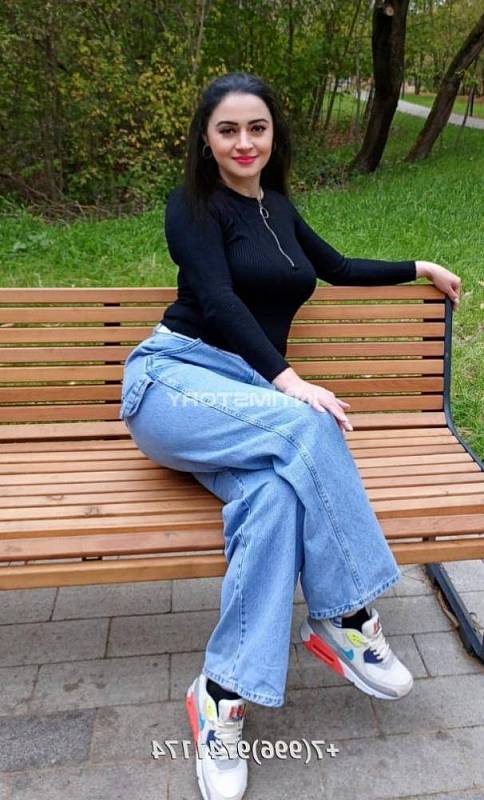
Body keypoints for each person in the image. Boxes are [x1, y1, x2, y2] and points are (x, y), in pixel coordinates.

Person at [119, 71, 461, 800]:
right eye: (228, 130)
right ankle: (347, 615)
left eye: (257, 128)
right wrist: (288, 380)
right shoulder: (191, 207)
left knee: (273, 500)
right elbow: (216, 299)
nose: (244, 142)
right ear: (206, 140)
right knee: (308, 420)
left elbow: (335, 267)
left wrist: (418, 267)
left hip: (245, 404)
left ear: (275, 135)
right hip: (175, 382)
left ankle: (219, 695)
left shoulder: (277, 207)